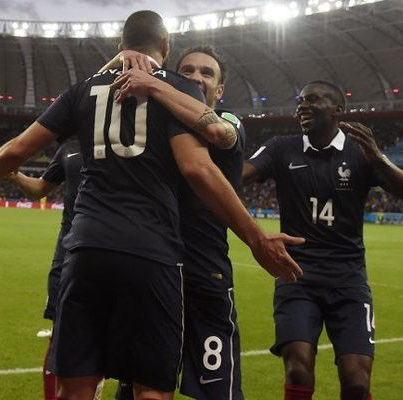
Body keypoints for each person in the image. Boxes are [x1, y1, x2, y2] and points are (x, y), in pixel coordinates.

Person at [0, 10, 303, 400]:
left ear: (120, 48)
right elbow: (197, 169)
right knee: (150, 390)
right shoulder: (177, 91)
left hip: (85, 248)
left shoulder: (81, 90)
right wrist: (255, 237)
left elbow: (16, 150)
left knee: (76, 389)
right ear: (166, 47)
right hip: (150, 252)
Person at [242, 80, 403, 400]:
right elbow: (234, 177)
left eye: (312, 100)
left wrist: (378, 157)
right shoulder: (280, 148)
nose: (302, 106)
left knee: (356, 382)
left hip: (349, 280)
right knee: (298, 367)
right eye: (300, 101)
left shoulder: (361, 153)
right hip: (297, 276)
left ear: (338, 110)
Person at [106, 46, 247, 400]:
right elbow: (92, 94)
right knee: (137, 390)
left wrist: (153, 85)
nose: (197, 78)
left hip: (205, 277)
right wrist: (124, 56)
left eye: (207, 73)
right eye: (187, 71)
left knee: (219, 393)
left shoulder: (230, 121)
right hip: (152, 271)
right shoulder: (151, 127)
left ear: (220, 90)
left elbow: (218, 133)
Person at [5, 138, 99, 400]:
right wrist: (14, 175)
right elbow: (41, 189)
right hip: (67, 253)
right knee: (59, 336)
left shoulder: (121, 135)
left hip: (109, 247)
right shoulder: (68, 148)